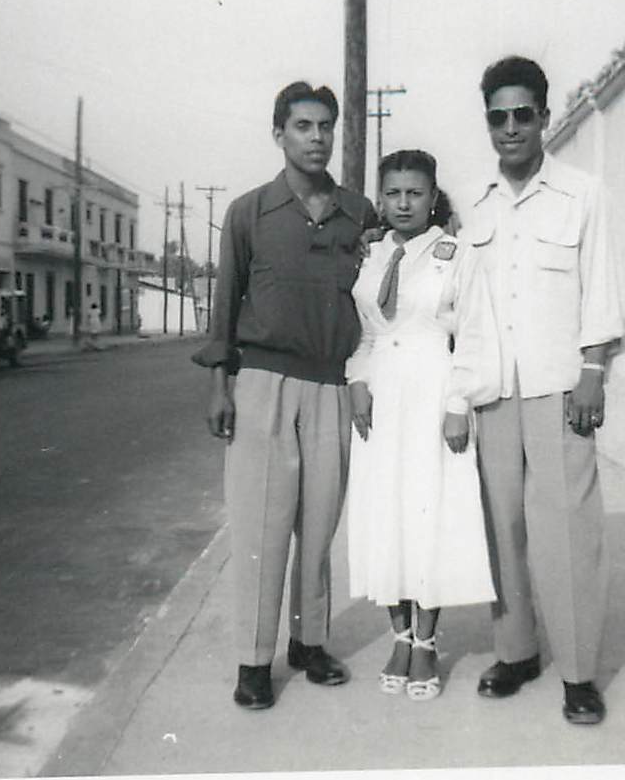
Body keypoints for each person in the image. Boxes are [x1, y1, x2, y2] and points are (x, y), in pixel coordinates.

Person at [192, 80, 378, 711]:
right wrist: (219, 385)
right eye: (303, 126)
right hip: (263, 385)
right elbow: (224, 305)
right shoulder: (249, 212)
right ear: (279, 134)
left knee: (318, 526)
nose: (317, 137)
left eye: (325, 126)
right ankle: (253, 660)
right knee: (262, 530)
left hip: (331, 385)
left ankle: (309, 642)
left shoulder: (360, 213)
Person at [461, 55, 625, 725]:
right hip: (495, 391)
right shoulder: (474, 204)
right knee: (502, 527)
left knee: (566, 532)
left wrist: (593, 372)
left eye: (522, 114)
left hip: (560, 387)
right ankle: (517, 651)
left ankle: (579, 673)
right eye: (497, 117)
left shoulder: (582, 194)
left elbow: (601, 287)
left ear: (544, 117)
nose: (510, 128)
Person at [345, 150, 500, 701]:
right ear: (380, 199)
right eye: (393, 193)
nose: (404, 203)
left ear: (433, 197)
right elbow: (366, 332)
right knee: (386, 515)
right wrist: (357, 379)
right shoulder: (371, 254)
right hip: (381, 396)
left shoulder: (455, 253)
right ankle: (400, 637)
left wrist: (458, 403)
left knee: (428, 514)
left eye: (415, 193)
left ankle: (428, 643)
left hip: (433, 391)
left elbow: (474, 334)